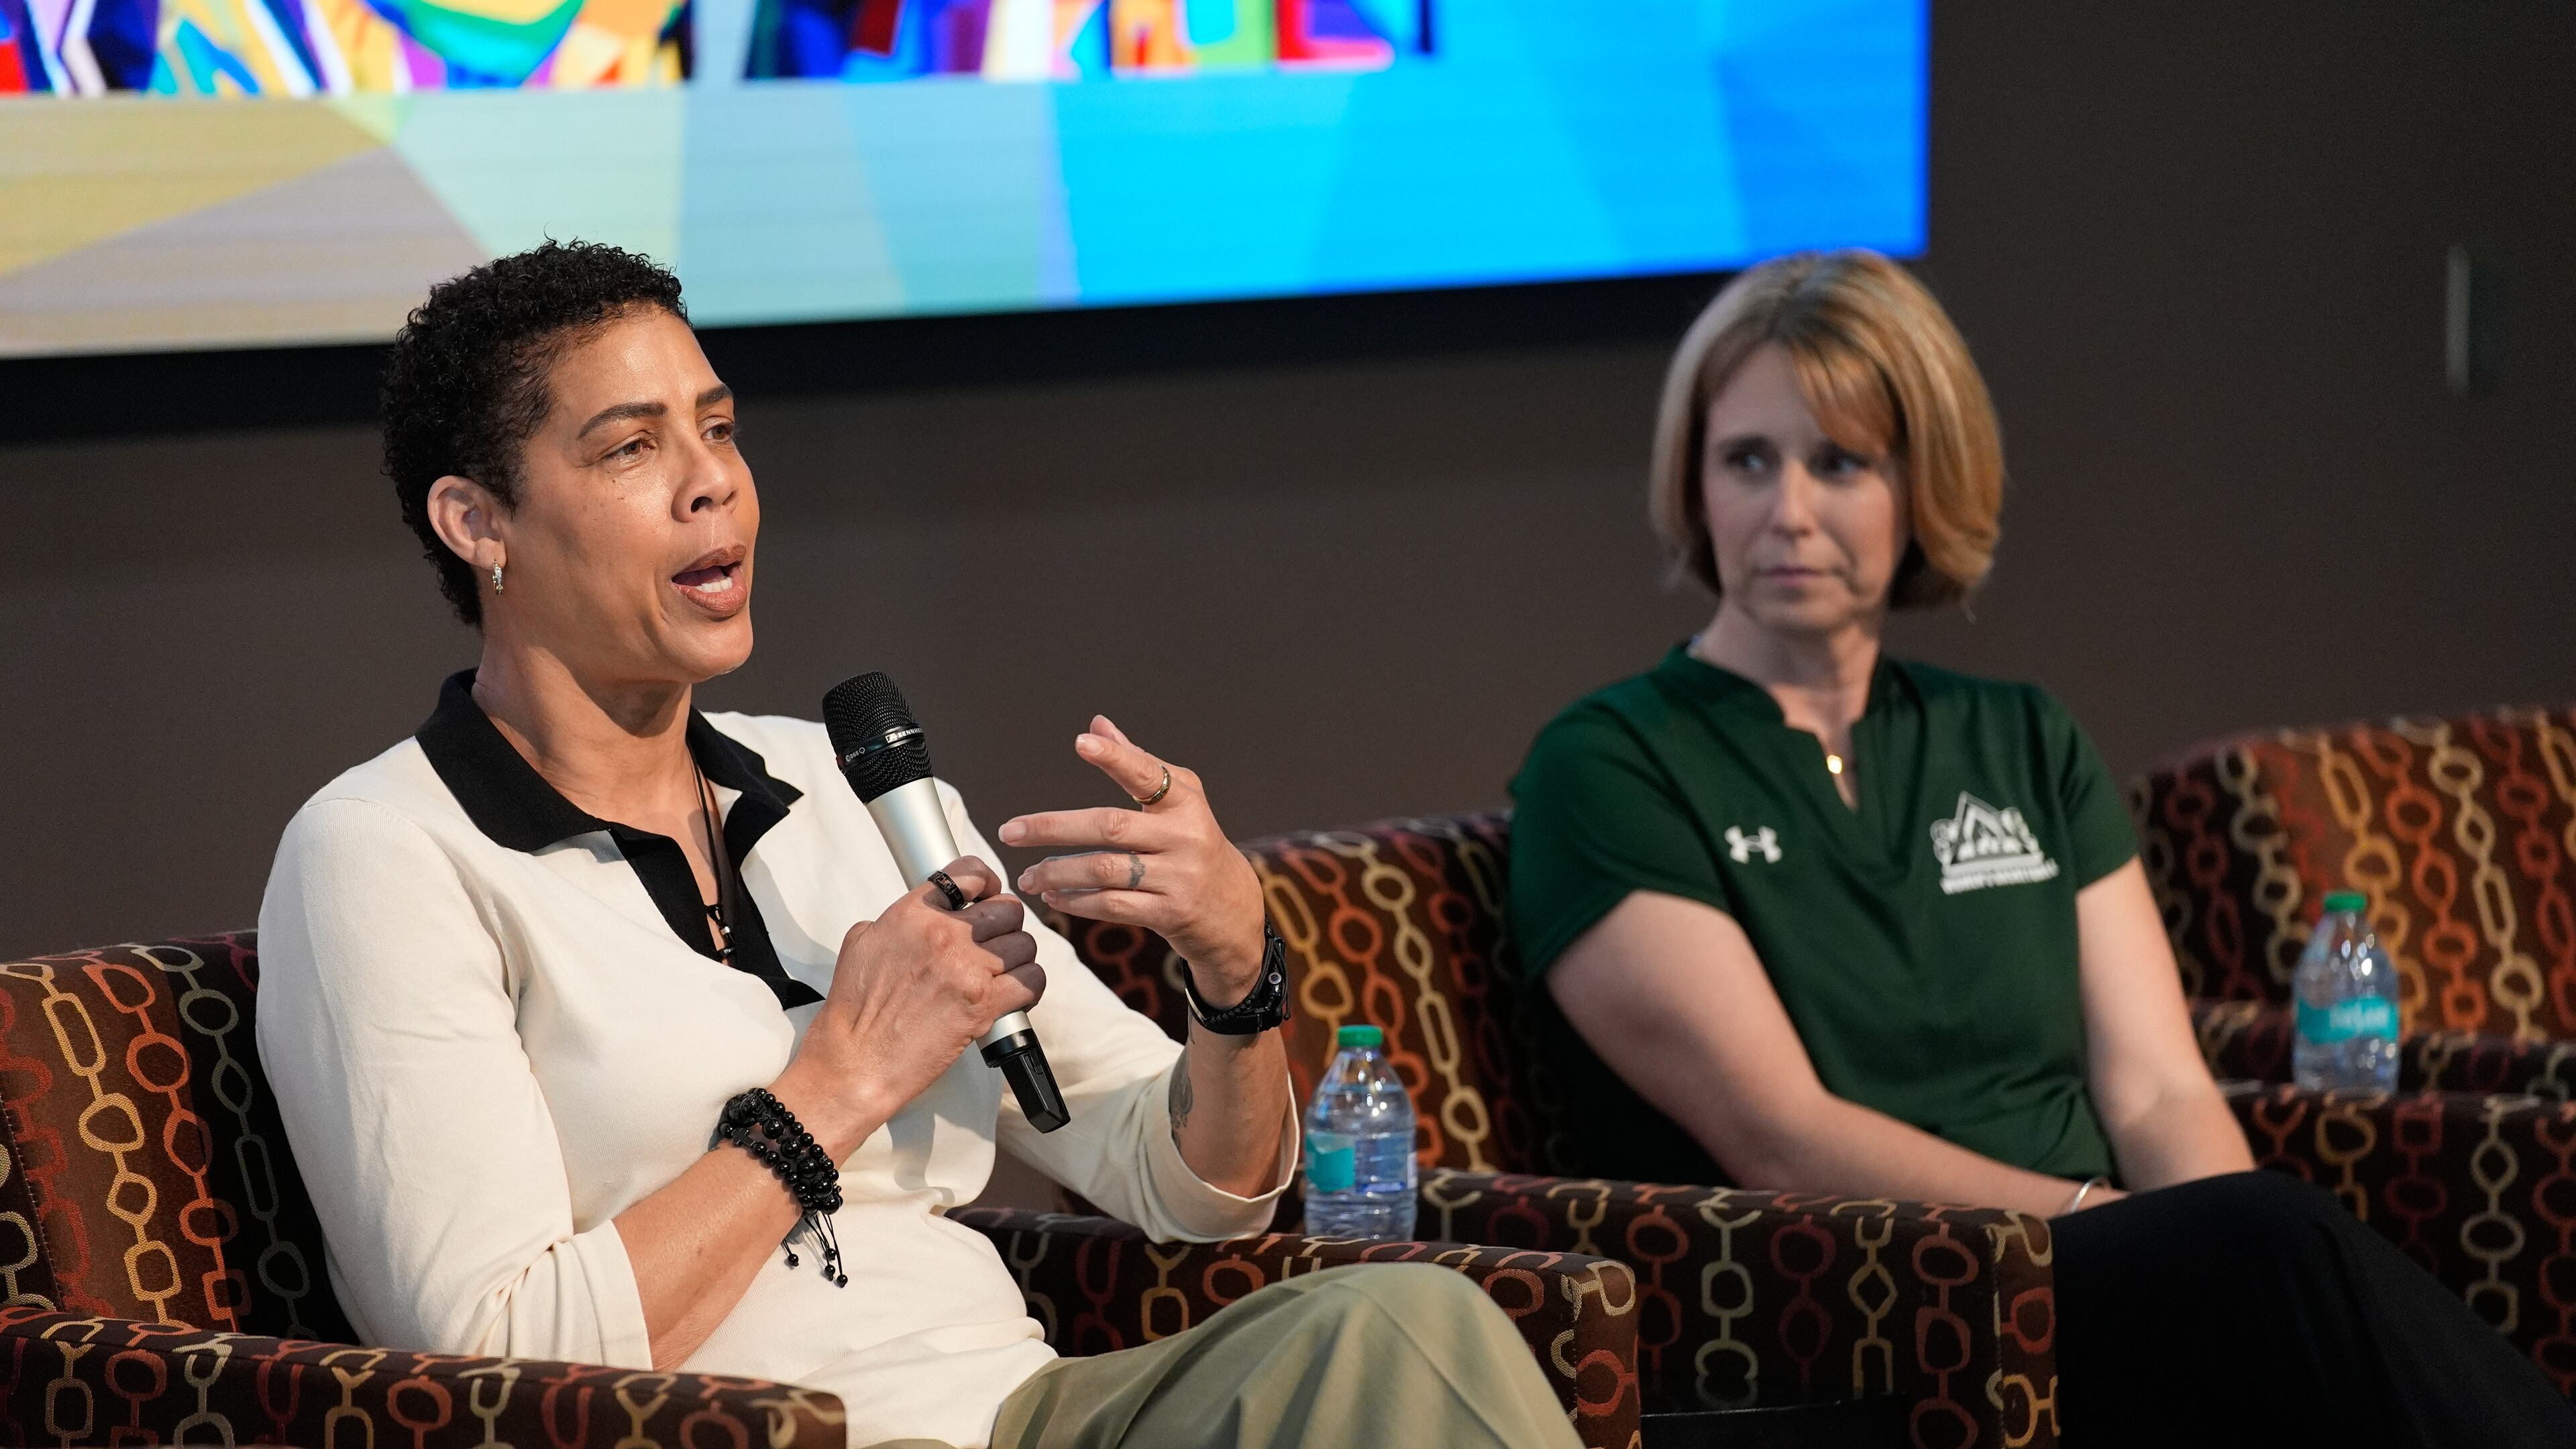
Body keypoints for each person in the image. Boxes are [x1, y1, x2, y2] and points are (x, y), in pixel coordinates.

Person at [255, 241, 1581, 1449]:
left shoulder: (840, 783)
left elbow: (1190, 1185)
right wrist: (839, 1082)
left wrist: (1237, 980)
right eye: (631, 449)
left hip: (1019, 1413)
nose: (712, 479)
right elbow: (482, 1362)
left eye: (718, 429)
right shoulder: (383, 856)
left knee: (1411, 1328)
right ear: (478, 523)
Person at [1505, 250, 2576, 1447]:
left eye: (1842, 463)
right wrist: (2118, 1228)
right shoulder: (1609, 765)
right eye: (1746, 461)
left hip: (2103, 1279)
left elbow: (2160, 1087)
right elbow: (1778, 1135)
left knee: (2270, 1250)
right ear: (1695, 485)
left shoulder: (2020, 737)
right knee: (2273, 1253)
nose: (1788, 512)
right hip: (1854, 1306)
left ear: (1923, 486)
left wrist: (2198, 1236)